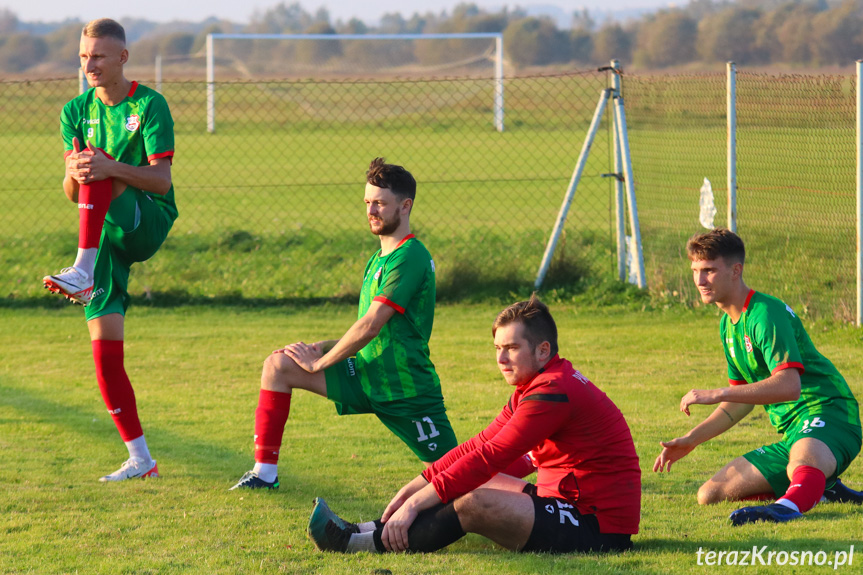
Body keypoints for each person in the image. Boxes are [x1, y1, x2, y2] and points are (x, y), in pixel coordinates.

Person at [307, 295, 641, 554]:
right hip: (565, 502)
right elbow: (477, 445)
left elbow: (491, 455)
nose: (500, 359)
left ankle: (362, 544)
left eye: (511, 348)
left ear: (542, 351)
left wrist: (415, 504)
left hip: (596, 526)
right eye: (497, 348)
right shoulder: (537, 385)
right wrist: (416, 486)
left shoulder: (553, 390)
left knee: (474, 501)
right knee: (466, 480)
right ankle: (365, 528)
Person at [230, 158, 462, 490]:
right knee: (278, 365)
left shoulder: (410, 257)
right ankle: (265, 475)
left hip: (406, 391)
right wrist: (319, 347)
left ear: (406, 205)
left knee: (458, 479)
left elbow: (372, 325)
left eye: (380, 203)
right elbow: (367, 329)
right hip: (365, 375)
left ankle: (529, 462)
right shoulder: (378, 258)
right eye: (368, 202)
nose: (372, 210)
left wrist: (320, 363)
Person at [42, 19, 177, 482]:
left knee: (104, 168)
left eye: (98, 56)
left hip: (146, 220)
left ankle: (81, 269)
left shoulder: (149, 104)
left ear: (122, 57)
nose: (89, 65)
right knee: (105, 353)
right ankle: (140, 458)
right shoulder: (74, 111)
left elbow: (162, 180)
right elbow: (70, 191)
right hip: (104, 238)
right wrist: (77, 170)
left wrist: (106, 167)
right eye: (83, 56)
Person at [654, 228, 863, 525]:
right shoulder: (728, 325)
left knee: (802, 461)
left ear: (735, 270)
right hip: (794, 434)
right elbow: (739, 403)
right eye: (695, 271)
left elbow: (790, 386)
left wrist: (718, 392)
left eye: (710, 270)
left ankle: (787, 508)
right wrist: (691, 440)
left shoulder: (765, 314)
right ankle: (823, 488)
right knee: (709, 494)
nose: (700, 280)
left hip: (829, 412)